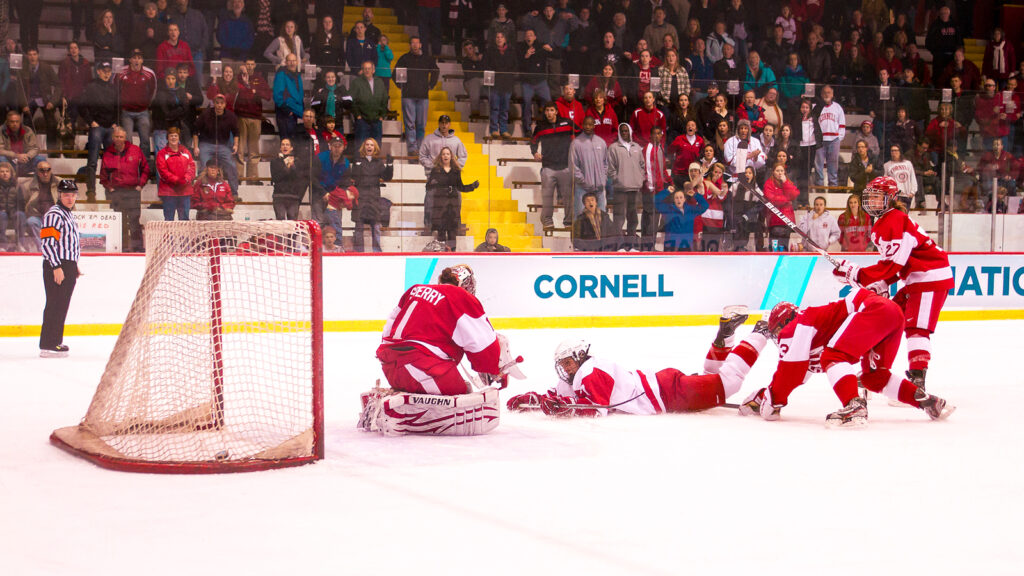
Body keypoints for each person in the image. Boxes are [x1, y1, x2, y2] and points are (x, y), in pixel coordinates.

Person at [741, 291, 954, 427]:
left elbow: (790, 372)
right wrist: (764, 396)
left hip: (872, 309)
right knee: (874, 377)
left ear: (784, 322)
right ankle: (928, 402)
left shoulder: (796, 326)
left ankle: (854, 406)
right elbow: (798, 376)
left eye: (777, 330)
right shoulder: (813, 330)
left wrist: (773, 402)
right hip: (891, 313)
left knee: (833, 356)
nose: (779, 337)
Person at [507, 308, 766, 417]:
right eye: (561, 364)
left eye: (566, 362)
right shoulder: (580, 373)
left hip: (670, 394)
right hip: (666, 387)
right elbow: (559, 395)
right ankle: (725, 337)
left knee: (728, 383)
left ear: (577, 357)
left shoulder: (591, 372)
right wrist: (535, 400)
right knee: (715, 376)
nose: (563, 368)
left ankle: (762, 331)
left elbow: (596, 409)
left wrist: (564, 409)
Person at [833, 176, 954, 394]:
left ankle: (917, 379)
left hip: (930, 277)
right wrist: (881, 283)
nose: (873, 201)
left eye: (878, 197)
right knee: (888, 320)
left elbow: (894, 264)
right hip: (916, 278)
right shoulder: (882, 222)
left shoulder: (896, 219)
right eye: (871, 197)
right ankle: (875, 370)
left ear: (890, 199)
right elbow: (898, 264)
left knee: (916, 329)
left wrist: (859, 274)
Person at [376, 264, 512, 395]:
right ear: (465, 284)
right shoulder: (459, 296)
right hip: (423, 367)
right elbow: (482, 342)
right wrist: (495, 369)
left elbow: (389, 327)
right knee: (464, 392)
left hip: (389, 364)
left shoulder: (415, 289)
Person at [38, 179, 82, 357]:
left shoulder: (69, 214)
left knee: (62, 304)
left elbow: (69, 243)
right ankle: (48, 344)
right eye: (66, 195)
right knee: (55, 303)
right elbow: (48, 243)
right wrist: (56, 266)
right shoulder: (54, 214)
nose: (70, 198)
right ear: (59, 195)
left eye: (72, 195)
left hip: (67, 264)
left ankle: (55, 341)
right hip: (57, 264)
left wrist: (74, 265)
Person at [100, 126, 150, 252]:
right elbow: (103, 175)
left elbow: (146, 169)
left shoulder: (135, 150)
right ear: (112, 138)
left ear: (125, 137)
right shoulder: (108, 153)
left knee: (134, 219)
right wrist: (110, 188)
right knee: (120, 221)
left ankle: (137, 246)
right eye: (116, 136)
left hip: (133, 191)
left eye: (121, 136)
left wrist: (141, 185)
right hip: (117, 192)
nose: (119, 139)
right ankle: (122, 247)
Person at [532, 102, 577, 231]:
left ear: (556, 111)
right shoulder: (541, 126)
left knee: (568, 197)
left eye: (552, 110)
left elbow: (579, 133)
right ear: (545, 112)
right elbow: (533, 141)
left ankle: (568, 222)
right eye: (547, 110)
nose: (549, 113)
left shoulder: (568, 123)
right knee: (547, 197)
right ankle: (547, 221)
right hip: (548, 168)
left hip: (565, 167)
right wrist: (535, 152)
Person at [426, 147, 479, 250]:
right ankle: (441, 253)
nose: (445, 156)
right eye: (443, 154)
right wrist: (435, 185)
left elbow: (461, 187)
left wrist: (472, 186)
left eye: (448, 154)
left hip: (453, 206)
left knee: (453, 231)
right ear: (440, 157)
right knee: (441, 231)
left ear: (451, 156)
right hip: (440, 205)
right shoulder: (436, 170)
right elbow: (428, 187)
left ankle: (452, 252)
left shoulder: (456, 171)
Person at [394, 37, 439, 155]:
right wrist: (400, 85)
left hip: (423, 96)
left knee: (421, 125)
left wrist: (431, 84)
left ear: (420, 45)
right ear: (410, 45)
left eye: (417, 43)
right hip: (408, 95)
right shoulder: (404, 58)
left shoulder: (427, 58)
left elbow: (436, 70)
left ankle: (420, 148)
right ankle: (412, 149)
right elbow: (395, 73)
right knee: (409, 124)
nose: (415, 45)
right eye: (412, 43)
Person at [347, 138, 393, 253]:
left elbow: (387, 177)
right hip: (360, 198)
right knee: (359, 227)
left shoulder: (378, 163)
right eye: (367, 144)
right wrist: (357, 165)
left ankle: (377, 252)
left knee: (376, 227)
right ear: (364, 147)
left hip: (373, 199)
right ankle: (359, 252)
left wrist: (390, 164)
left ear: (375, 148)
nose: (369, 147)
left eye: (371, 145)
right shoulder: (358, 161)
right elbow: (354, 177)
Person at [117, 50, 158, 171]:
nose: (136, 60)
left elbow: (153, 91)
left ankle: (144, 165)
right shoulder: (121, 72)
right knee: (127, 140)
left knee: (145, 140)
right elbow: (116, 90)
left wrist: (146, 104)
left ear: (142, 60)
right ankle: (128, 164)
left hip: (143, 111)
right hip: (126, 111)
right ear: (130, 60)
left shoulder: (149, 74)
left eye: (139, 58)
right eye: (134, 58)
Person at [192, 95, 239, 198]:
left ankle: (234, 193)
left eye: (221, 103)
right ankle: (201, 192)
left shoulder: (231, 116)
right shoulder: (205, 114)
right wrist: (196, 146)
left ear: (225, 104)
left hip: (223, 146)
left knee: (232, 165)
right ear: (214, 103)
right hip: (206, 144)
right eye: (217, 103)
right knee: (204, 165)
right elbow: (195, 131)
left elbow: (236, 133)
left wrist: (235, 145)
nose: (219, 105)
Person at [606, 123, 645, 245]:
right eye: (622, 131)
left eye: (626, 131)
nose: (624, 133)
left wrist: (640, 178)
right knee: (619, 218)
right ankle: (619, 244)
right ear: (619, 132)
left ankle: (631, 243)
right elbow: (610, 168)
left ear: (630, 132)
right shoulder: (613, 148)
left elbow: (642, 165)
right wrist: (617, 179)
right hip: (620, 189)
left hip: (634, 188)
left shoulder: (637, 147)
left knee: (633, 218)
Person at [234, 62, 272, 185]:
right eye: (247, 64)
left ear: (255, 65)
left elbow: (267, 96)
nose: (249, 66)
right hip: (241, 116)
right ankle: (238, 177)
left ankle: (252, 178)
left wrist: (254, 90)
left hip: (255, 117)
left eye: (251, 64)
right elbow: (239, 91)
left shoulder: (259, 79)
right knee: (240, 148)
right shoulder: (238, 77)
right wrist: (250, 89)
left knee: (254, 150)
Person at [570, 116, 609, 217]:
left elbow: (606, 163)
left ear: (594, 125)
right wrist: (584, 181)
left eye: (590, 124)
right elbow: (573, 166)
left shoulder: (601, 142)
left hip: (599, 188)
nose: (587, 126)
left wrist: (602, 179)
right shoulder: (576, 143)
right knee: (580, 218)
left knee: (602, 218)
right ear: (582, 125)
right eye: (585, 124)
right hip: (582, 188)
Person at [156, 127, 196, 221]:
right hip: (169, 192)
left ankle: (184, 236)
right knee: (169, 221)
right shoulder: (162, 154)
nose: (173, 138)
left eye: (175, 136)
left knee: (184, 220)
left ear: (179, 138)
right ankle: (169, 237)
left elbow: (192, 167)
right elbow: (163, 171)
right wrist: (177, 180)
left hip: (185, 191)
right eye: (171, 136)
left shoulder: (186, 151)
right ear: (167, 138)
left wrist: (186, 179)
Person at [657, 181, 708, 252]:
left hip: (687, 245)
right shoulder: (668, 210)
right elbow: (656, 201)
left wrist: (695, 195)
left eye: (681, 197)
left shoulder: (691, 210)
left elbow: (705, 206)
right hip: (672, 246)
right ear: (674, 200)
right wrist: (667, 191)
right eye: (676, 198)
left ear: (684, 199)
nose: (679, 200)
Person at [484, 31, 516, 139]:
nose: (499, 39)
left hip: (507, 84)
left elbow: (514, 66)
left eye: (501, 37)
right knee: (495, 107)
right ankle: (494, 129)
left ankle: (503, 129)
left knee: (505, 108)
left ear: (505, 39)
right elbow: (487, 65)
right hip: (495, 84)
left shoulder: (511, 51)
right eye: (497, 37)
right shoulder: (489, 51)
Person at [19, 160, 57, 251]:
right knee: (31, 221)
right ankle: (42, 248)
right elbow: (23, 204)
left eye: (48, 170)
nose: (45, 173)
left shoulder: (59, 183)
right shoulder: (27, 186)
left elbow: (68, 201)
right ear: (37, 172)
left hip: (54, 216)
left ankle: (54, 248)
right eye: (42, 171)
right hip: (37, 215)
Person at [349, 61, 389, 148]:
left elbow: (385, 99)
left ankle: (375, 161)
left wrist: (382, 115)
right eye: (365, 68)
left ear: (373, 70)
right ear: (362, 70)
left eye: (369, 68)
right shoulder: (356, 82)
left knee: (376, 146)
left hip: (377, 120)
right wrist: (358, 115)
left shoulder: (379, 82)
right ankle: (360, 162)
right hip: (362, 120)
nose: (367, 70)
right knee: (361, 147)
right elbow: (351, 100)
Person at [814, 85, 845, 187]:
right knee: (819, 166)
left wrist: (839, 138)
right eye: (824, 92)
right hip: (820, 140)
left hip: (833, 140)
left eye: (829, 92)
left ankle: (833, 187)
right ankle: (820, 187)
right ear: (821, 94)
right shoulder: (816, 107)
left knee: (833, 166)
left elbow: (842, 124)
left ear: (832, 94)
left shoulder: (837, 107)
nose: (826, 94)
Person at [763, 163, 798, 251]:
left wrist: (785, 182)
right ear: (773, 172)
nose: (780, 173)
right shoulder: (769, 183)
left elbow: (794, 194)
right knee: (774, 249)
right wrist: (787, 198)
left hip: (787, 221)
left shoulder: (788, 182)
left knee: (784, 248)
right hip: (774, 220)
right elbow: (773, 200)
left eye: (782, 171)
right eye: (777, 171)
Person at [0, 110, 44, 178]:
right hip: (9, 161)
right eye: (12, 122)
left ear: (20, 122)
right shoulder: (1, 131)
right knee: (1, 159)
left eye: (17, 121)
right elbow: (0, 150)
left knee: (41, 159)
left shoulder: (28, 130)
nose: (15, 124)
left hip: (25, 161)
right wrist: (16, 155)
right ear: (7, 122)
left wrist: (28, 156)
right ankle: (7, 183)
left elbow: (35, 148)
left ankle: (41, 183)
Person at [270, 138, 306, 220]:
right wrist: (286, 167)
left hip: (293, 196)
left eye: (287, 145)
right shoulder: (275, 161)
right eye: (283, 144)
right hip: (279, 196)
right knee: (280, 219)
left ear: (291, 148)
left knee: (292, 221)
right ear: (280, 147)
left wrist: (292, 166)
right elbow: (276, 178)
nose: (285, 147)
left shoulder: (297, 162)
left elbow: (299, 177)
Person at [273, 54, 304, 141]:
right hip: (285, 114)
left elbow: (299, 94)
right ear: (286, 62)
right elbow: (277, 95)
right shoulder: (281, 74)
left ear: (297, 62)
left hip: (294, 113)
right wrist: (287, 110)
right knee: (286, 142)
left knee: (292, 142)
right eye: (290, 61)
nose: (292, 63)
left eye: (294, 60)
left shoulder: (297, 75)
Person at [0, 162, 25, 251]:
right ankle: (2, 245)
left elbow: (21, 202)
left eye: (7, 171)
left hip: (13, 211)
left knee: (20, 215)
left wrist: (15, 210)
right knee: (1, 216)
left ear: (11, 173)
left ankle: (20, 244)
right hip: (1, 212)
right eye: (2, 171)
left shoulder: (17, 186)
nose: (5, 173)